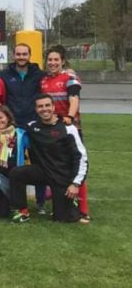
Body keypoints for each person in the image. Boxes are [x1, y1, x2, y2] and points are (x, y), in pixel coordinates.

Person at [8, 94, 88, 223]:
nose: (44, 109)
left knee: (62, 219)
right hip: (42, 171)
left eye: (47, 105)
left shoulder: (68, 128)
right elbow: (12, 130)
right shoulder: (32, 126)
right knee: (17, 173)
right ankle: (21, 211)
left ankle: (71, 204)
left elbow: (81, 157)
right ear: (36, 109)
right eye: (40, 106)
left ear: (53, 107)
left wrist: (75, 184)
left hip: (62, 176)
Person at [40, 46, 89, 222]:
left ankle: (83, 210)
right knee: (58, 167)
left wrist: (69, 116)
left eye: (56, 60)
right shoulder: (44, 80)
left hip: (69, 128)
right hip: (52, 130)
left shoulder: (70, 77)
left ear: (62, 61)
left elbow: (74, 99)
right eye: (50, 60)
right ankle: (64, 203)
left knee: (76, 168)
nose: (52, 63)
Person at [0, 43, 44, 127]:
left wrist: (67, 72)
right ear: (14, 56)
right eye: (18, 54)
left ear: (30, 55)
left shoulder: (40, 74)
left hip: (35, 122)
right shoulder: (3, 75)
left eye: (24, 54)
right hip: (12, 124)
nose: (21, 57)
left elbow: (54, 76)